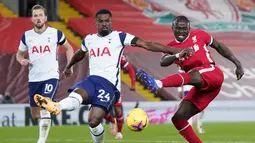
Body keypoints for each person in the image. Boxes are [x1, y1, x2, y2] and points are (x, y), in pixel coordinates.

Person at [33, 9, 191, 143]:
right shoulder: (89, 39)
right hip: (92, 80)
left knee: (93, 121)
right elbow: (80, 54)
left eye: (107, 21)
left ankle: (62, 110)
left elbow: (147, 44)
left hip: (109, 86)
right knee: (78, 94)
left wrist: (174, 51)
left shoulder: (120, 37)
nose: (104, 24)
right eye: (101, 21)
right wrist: (69, 66)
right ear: (96, 22)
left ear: (111, 21)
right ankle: (56, 106)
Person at [137, 15, 244, 143]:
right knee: (179, 118)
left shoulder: (199, 35)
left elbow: (219, 46)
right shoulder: (171, 46)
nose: (182, 31)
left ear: (189, 28)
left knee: (193, 73)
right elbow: (163, 62)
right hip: (202, 88)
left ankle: (158, 83)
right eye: (178, 28)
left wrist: (237, 63)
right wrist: (177, 54)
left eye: (184, 28)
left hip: (212, 73)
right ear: (173, 28)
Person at [16, 5, 74, 143]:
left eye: (40, 15)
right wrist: (21, 60)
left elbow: (69, 48)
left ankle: (41, 140)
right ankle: (56, 107)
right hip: (34, 78)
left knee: (45, 106)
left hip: (51, 76)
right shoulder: (27, 36)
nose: (38, 18)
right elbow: (19, 54)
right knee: (36, 115)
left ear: (45, 18)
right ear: (32, 19)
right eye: (35, 15)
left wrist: (69, 65)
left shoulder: (56, 33)